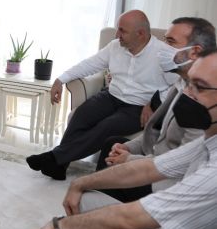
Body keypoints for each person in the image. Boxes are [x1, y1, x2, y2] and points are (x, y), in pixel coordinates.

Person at [29, 49, 217, 229]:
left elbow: (131, 219)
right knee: (82, 201)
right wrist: (80, 183)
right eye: (189, 84)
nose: (187, 93)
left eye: (199, 87)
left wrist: (59, 226)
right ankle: (59, 161)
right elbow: (150, 168)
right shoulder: (206, 143)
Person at [26, 10, 178, 180]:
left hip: (139, 107)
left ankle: (53, 158)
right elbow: (90, 64)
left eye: (122, 31)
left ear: (140, 34)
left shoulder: (165, 54)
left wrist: (154, 103)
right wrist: (60, 80)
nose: (117, 35)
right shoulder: (115, 46)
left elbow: (179, 85)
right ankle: (59, 166)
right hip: (111, 96)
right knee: (81, 115)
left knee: (107, 127)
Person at [95, 17, 215, 202]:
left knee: (104, 178)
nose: (162, 47)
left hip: (166, 180)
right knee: (112, 144)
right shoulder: (180, 82)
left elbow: (181, 163)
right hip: (154, 155)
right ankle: (101, 203)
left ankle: (112, 209)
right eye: (164, 40)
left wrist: (129, 160)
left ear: (194, 52)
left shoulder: (201, 102)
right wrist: (128, 148)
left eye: (170, 42)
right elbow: (157, 131)